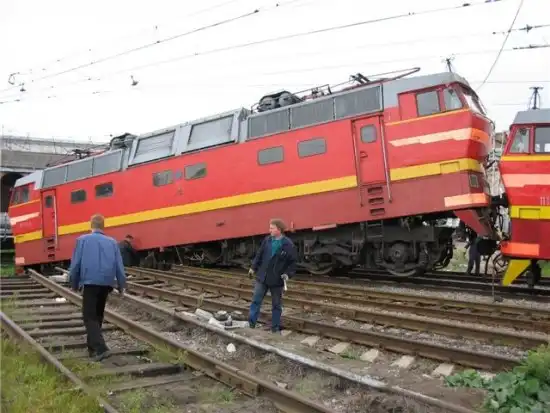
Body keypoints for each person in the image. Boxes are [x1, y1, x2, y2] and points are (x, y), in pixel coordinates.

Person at [69, 214, 126, 361]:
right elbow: (119, 266)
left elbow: (75, 265)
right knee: (98, 315)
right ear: (103, 226)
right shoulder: (112, 242)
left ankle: (101, 349)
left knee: (89, 316)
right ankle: (92, 348)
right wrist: (121, 286)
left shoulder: (82, 240)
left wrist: (73, 283)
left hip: (90, 282)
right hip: (106, 283)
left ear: (91, 225)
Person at [248, 218, 296, 333]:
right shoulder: (267, 240)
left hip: (277, 280)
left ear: (279, 229)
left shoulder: (288, 244)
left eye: (272, 228)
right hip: (262, 277)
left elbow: (293, 263)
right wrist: (253, 268)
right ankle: (251, 324)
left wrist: (287, 274)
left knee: (276, 305)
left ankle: (275, 328)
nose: (269, 230)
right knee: (255, 301)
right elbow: (259, 255)